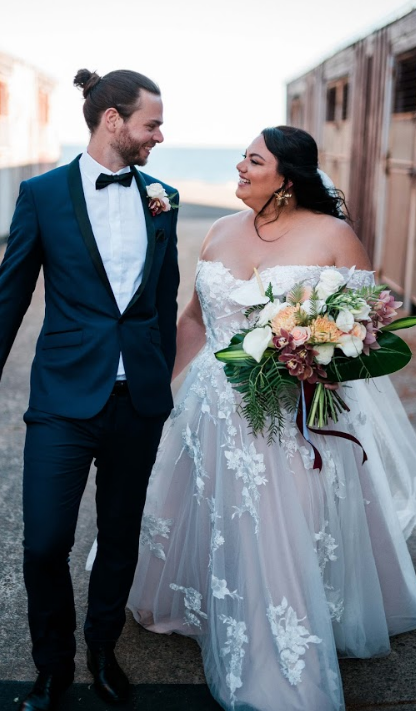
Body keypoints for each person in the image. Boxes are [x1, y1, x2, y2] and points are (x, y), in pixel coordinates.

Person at [127, 126, 416, 711]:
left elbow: (362, 336)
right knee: (208, 509)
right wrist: (158, 390)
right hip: (211, 406)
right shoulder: (218, 230)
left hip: (291, 413)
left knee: (282, 526)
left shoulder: (335, 237)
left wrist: (310, 355)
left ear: (285, 177)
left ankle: (279, 648)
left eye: (252, 160)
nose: (239, 166)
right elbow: (194, 321)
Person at [0, 68, 179, 711]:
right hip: (62, 400)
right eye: (151, 123)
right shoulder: (42, 194)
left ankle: (102, 651)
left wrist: (159, 375)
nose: (160, 136)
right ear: (113, 120)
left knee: (119, 538)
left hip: (136, 402)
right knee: (44, 543)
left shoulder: (162, 196)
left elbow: (162, 303)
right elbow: (9, 294)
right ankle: (51, 666)